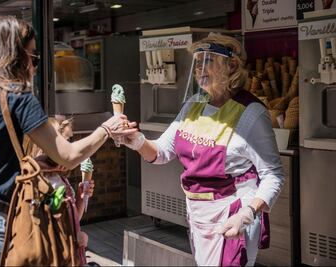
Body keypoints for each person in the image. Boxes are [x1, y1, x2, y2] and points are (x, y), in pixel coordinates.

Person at [0, 15, 136, 266]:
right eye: (32, 57)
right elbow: (69, 156)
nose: (34, 66)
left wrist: (35, 162)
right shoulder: (15, 94)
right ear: (12, 56)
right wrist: (107, 129)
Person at [120, 33, 284, 266]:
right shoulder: (194, 104)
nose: (199, 68)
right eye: (197, 62)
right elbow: (162, 151)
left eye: (207, 60)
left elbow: (273, 175)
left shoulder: (251, 113)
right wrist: (136, 141)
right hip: (197, 215)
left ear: (232, 64)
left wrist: (247, 214)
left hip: (233, 214)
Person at [23, 117, 93, 265]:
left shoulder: (60, 180)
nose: (69, 147)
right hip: (57, 255)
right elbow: (49, 225)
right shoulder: (42, 184)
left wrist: (80, 197)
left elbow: (74, 218)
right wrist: (77, 237)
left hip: (69, 253)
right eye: (65, 141)